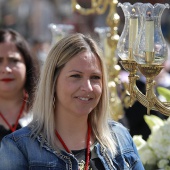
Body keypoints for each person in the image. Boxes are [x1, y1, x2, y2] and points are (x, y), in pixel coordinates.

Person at [0, 33, 144, 170]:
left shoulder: (119, 137)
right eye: (76, 76)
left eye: (95, 77)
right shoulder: (18, 147)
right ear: (53, 81)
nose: (87, 87)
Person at [0, 28, 39, 141]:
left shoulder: (45, 113)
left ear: (27, 65)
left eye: (14, 60)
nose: (6, 69)